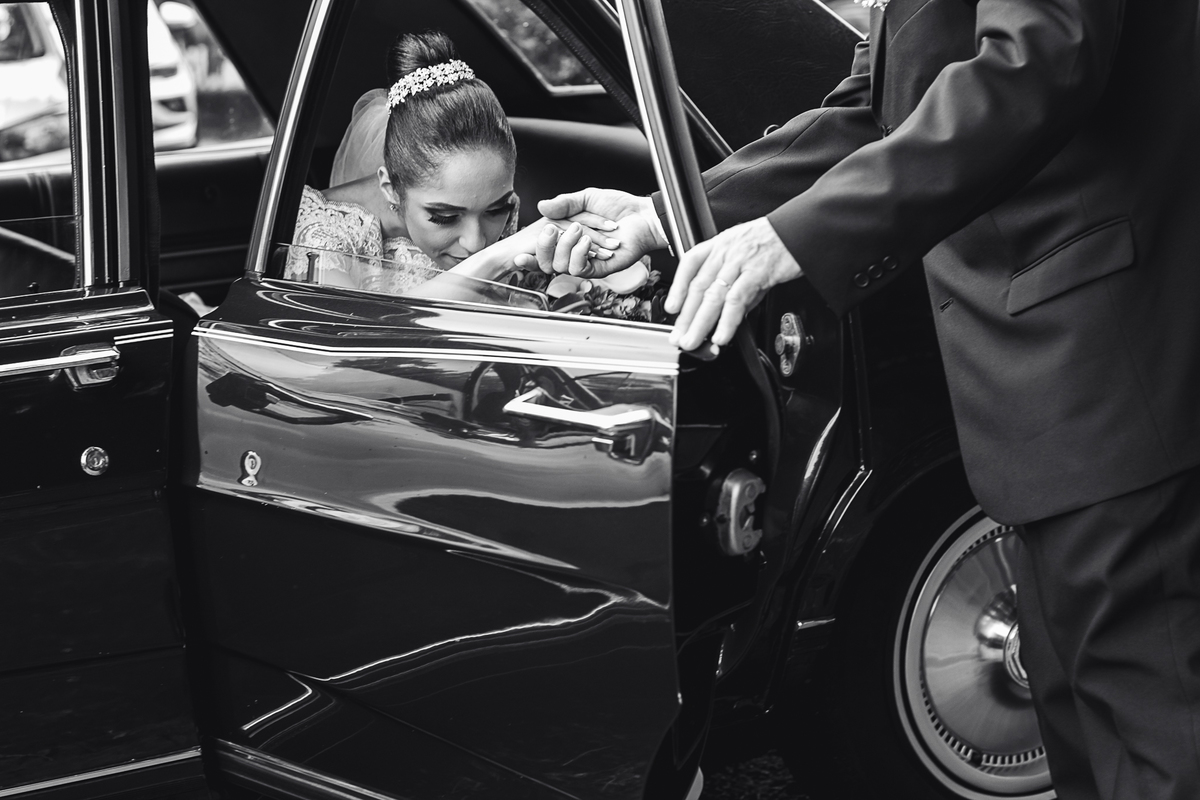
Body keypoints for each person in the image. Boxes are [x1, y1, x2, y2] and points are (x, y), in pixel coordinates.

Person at [538, 1, 1200, 798]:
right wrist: (662, 218)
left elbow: (1038, 63)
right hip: (1050, 403)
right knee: (1089, 750)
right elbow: (874, 111)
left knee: (1158, 749)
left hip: (1110, 372)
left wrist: (793, 239)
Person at [284, 31, 624, 303]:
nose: (476, 242)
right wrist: (498, 257)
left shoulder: (494, 212)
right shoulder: (323, 232)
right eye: (445, 217)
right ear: (390, 188)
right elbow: (346, 348)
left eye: (497, 209)